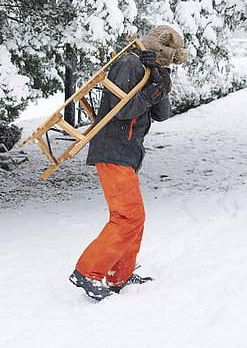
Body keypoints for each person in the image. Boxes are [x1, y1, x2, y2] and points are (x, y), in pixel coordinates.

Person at [69, 25, 190, 301]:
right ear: (159, 50)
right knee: (128, 217)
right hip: (113, 150)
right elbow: (121, 110)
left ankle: (117, 276)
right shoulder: (128, 64)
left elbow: (162, 114)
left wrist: (160, 80)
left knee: (134, 218)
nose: (165, 64)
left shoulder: (149, 70)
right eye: (166, 60)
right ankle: (88, 272)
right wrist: (150, 87)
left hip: (127, 154)